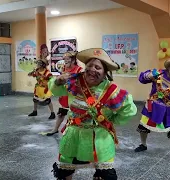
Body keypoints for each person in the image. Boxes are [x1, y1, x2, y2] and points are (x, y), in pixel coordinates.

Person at [49, 48, 137, 180]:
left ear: (105, 72)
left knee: (103, 172)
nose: (92, 70)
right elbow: (55, 91)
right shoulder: (74, 81)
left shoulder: (112, 90)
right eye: (89, 66)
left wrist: (113, 119)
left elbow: (129, 109)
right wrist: (57, 81)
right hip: (73, 135)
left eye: (98, 67)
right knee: (66, 169)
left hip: (100, 137)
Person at [134, 58, 170, 162]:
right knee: (143, 127)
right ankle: (143, 145)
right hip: (152, 107)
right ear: (169, 66)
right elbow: (142, 79)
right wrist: (148, 75)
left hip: (169, 110)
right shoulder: (158, 73)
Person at [46, 51, 82, 136]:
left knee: (75, 116)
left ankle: (77, 133)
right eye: (64, 59)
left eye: (67, 59)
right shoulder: (64, 69)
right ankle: (55, 129)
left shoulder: (79, 70)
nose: (65, 61)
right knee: (61, 114)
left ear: (73, 60)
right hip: (65, 96)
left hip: (75, 98)